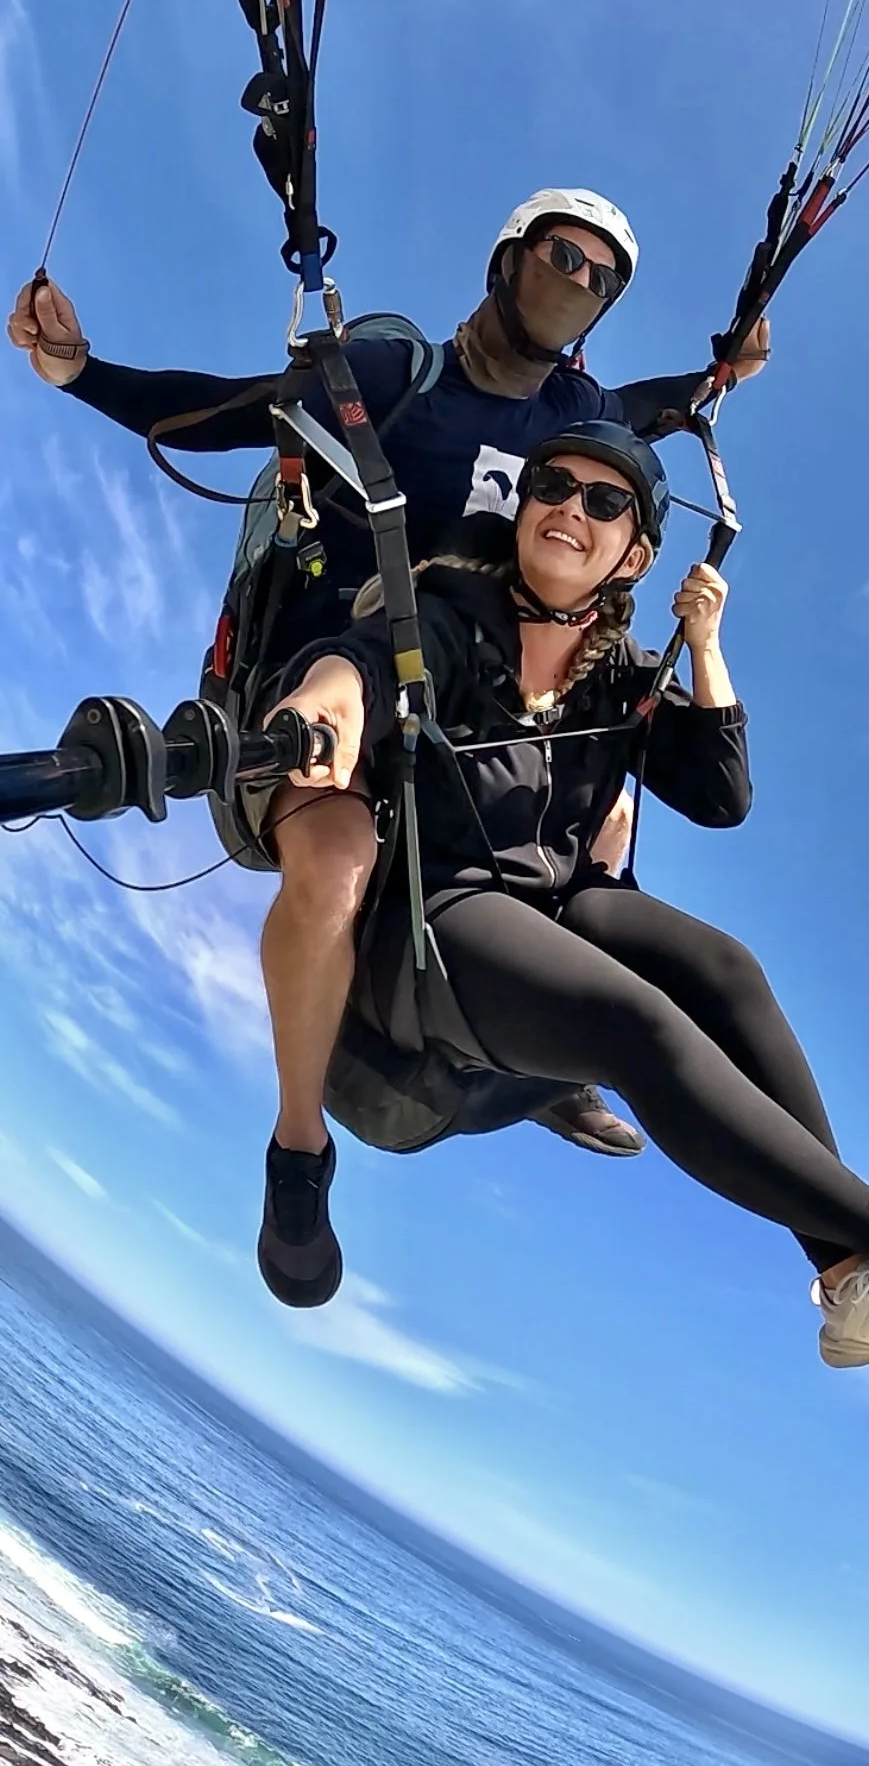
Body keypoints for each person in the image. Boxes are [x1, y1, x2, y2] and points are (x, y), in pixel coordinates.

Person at [266, 419, 869, 1373]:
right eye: (552, 486)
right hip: (429, 926)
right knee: (642, 1023)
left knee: (723, 969)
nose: (571, 509)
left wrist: (704, 644)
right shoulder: (448, 615)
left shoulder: (617, 679)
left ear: (637, 554)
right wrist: (322, 704)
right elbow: (363, 666)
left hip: (549, 912)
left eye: (605, 502)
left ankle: (851, 1288)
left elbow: (721, 795)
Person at [7, 193, 768, 1161]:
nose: (577, 280)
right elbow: (233, 410)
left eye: (599, 276)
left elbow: (656, 410)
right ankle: (298, 1144)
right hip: (339, 686)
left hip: (468, 706)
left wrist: (720, 369)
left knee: (598, 815)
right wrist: (81, 372)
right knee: (333, 870)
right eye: (561, 256)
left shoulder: (577, 424)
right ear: (507, 261)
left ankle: (552, 1065)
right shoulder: (398, 376)